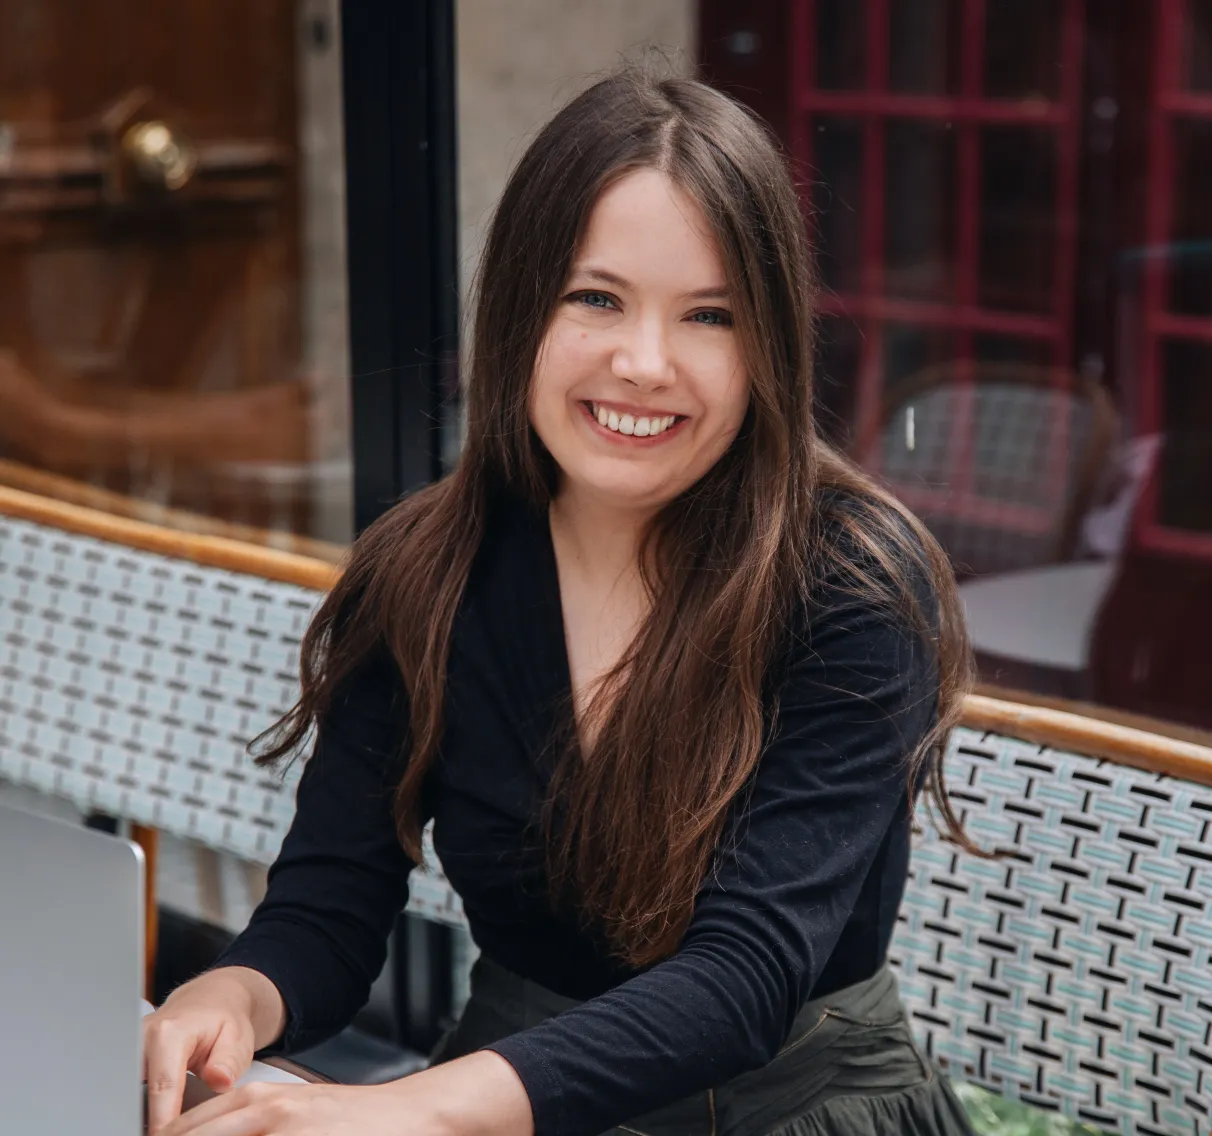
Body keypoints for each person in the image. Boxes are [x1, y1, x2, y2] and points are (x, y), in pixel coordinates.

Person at [142, 66, 979, 1136]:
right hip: (496, 1091)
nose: (644, 363)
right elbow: (330, 904)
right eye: (596, 297)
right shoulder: (426, 573)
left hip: (787, 1105)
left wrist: (421, 1110)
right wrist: (234, 993)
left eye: (710, 315)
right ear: (520, 304)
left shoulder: (851, 583)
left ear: (769, 342)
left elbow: (741, 980)